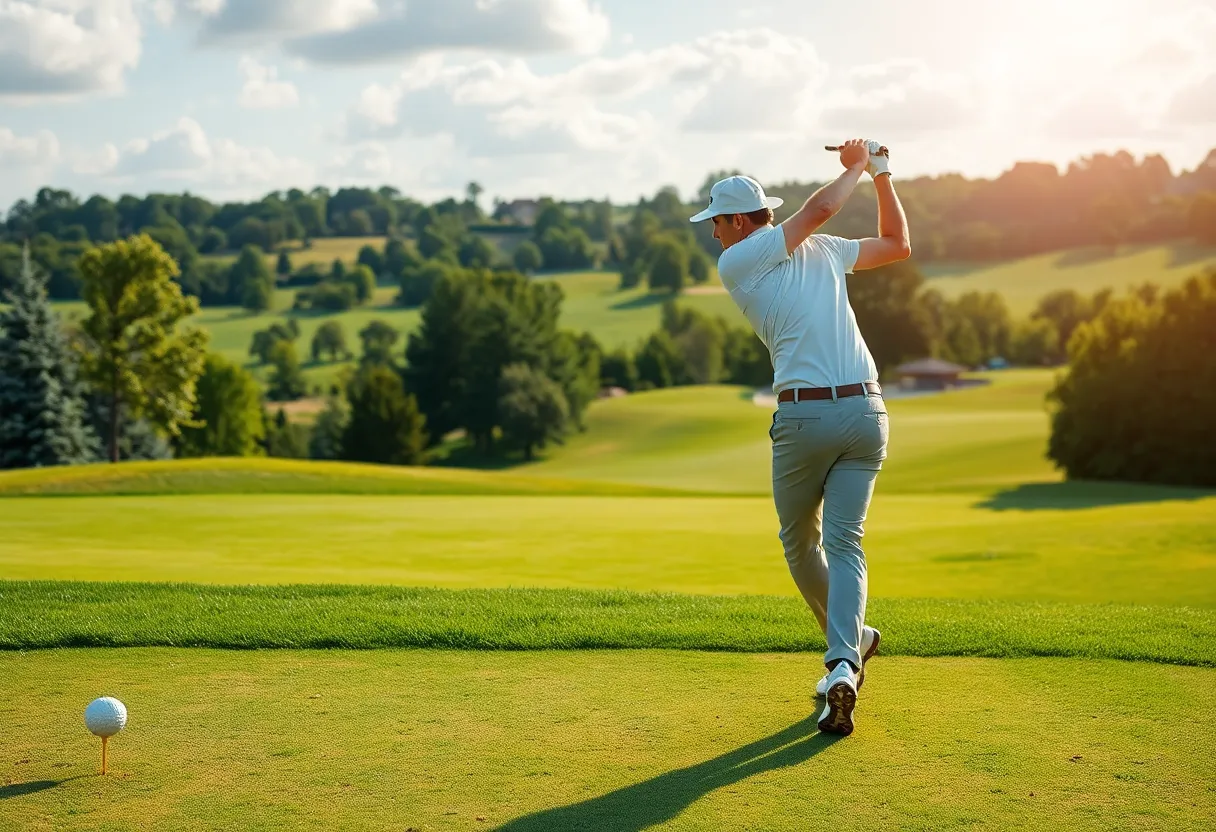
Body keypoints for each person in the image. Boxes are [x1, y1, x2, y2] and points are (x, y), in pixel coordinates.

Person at [688, 138, 911, 736]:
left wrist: (862, 168)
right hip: (867, 412)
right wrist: (880, 172)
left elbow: (829, 213)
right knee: (846, 544)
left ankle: (846, 653)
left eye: (716, 224)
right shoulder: (810, 251)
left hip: (805, 418)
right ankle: (846, 658)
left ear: (739, 222)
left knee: (799, 543)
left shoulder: (741, 258)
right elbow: (896, 244)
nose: (714, 235)